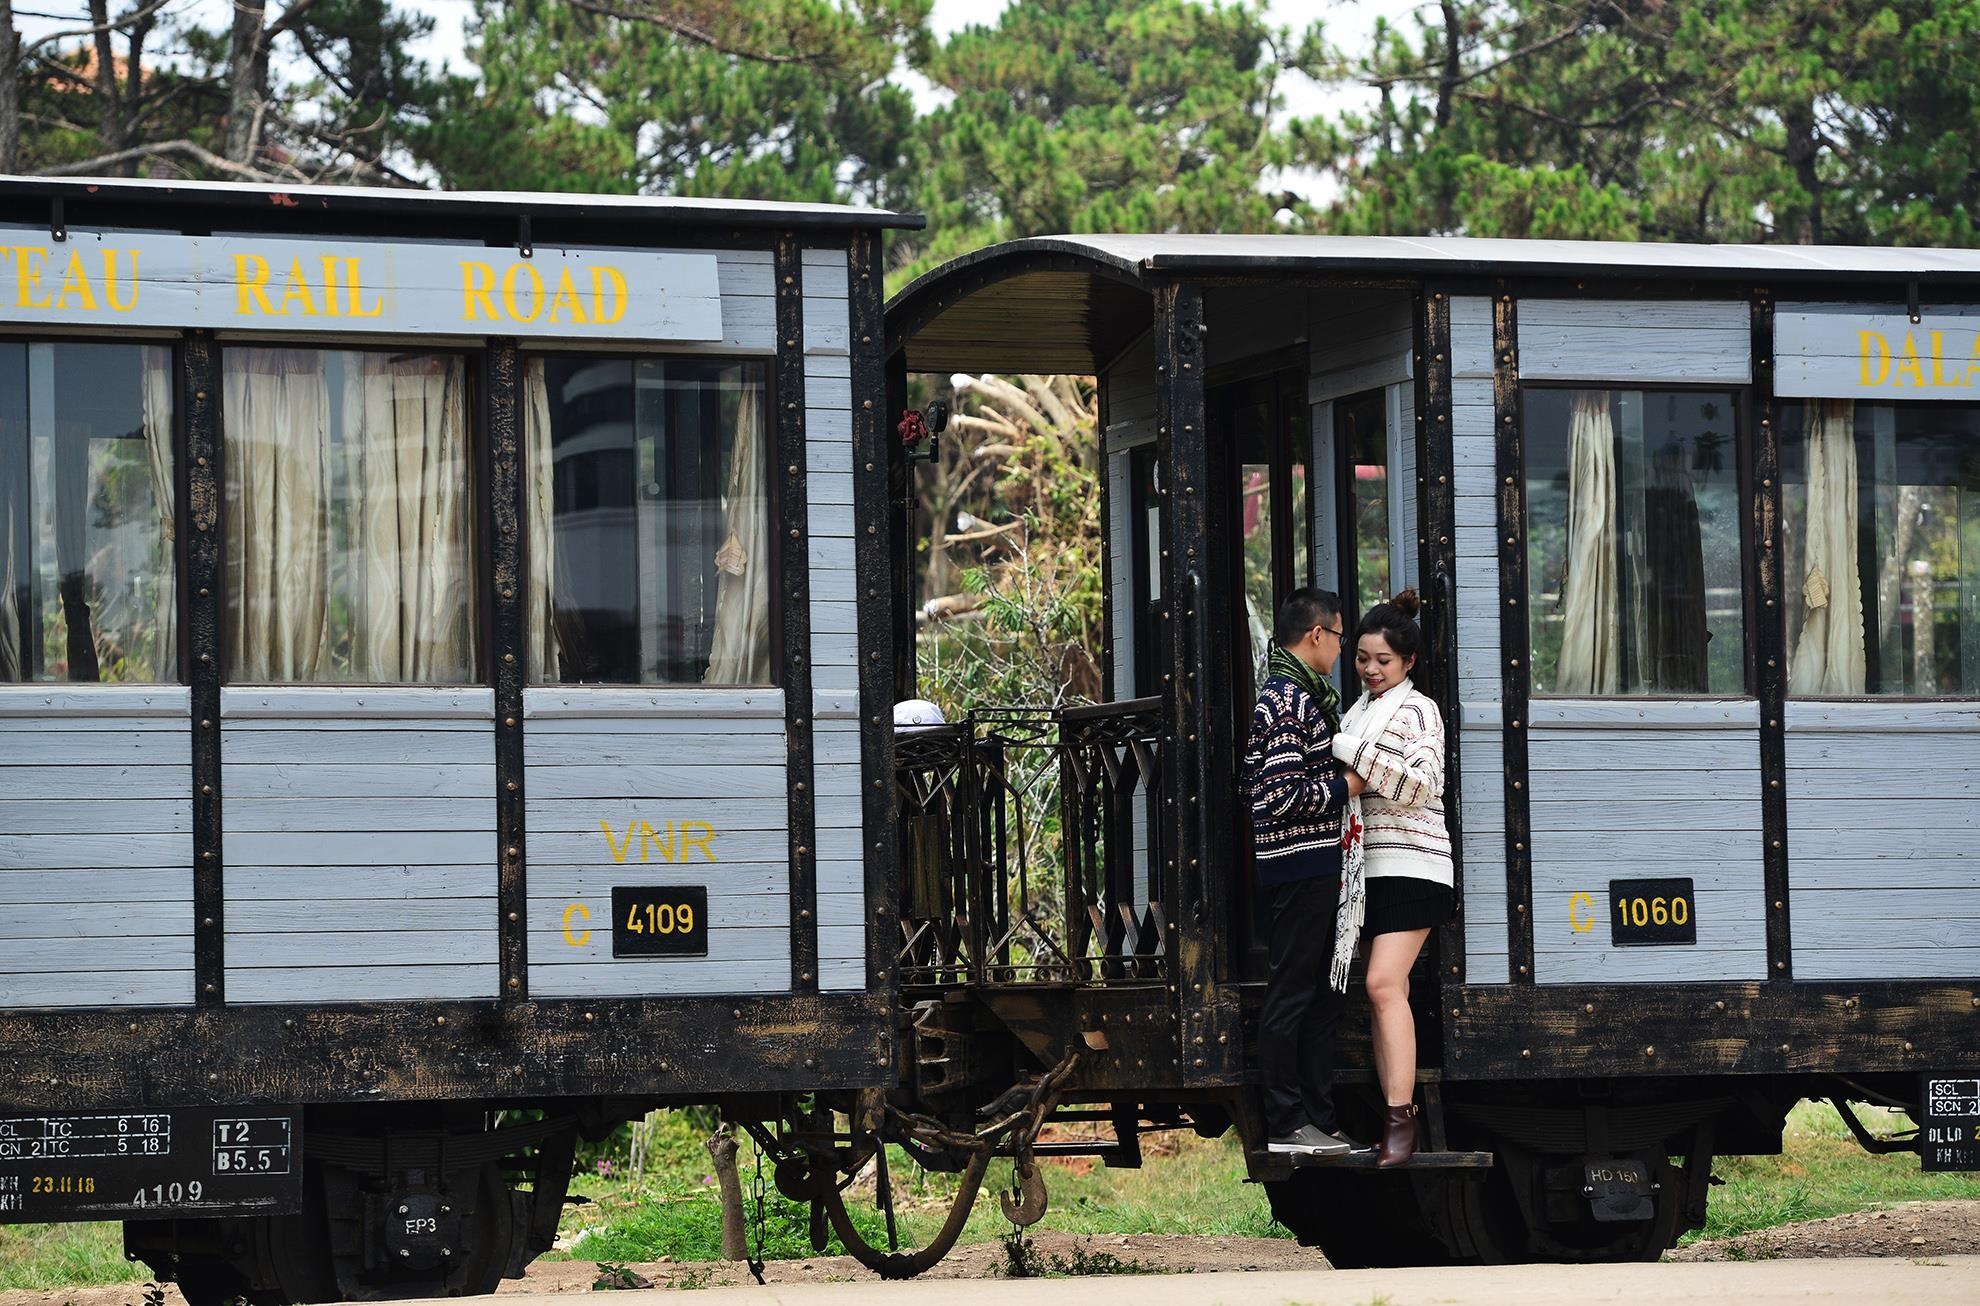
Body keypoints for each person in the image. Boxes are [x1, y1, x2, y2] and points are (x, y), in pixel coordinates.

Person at [1241, 587, 1367, 1157]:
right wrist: (1348, 785)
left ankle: (1319, 1118)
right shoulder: (1287, 700)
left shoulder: (1297, 695)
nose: (1342, 650)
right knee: (1292, 992)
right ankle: (1286, 1123)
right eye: (1339, 637)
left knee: (1320, 995)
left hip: (1312, 862)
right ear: (1317, 634)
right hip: (1298, 864)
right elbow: (1279, 795)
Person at [1332, 589, 1454, 1167]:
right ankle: (1394, 1122)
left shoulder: (1419, 711)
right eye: (1362, 658)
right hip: (1366, 870)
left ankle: (1402, 1124)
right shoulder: (1356, 712)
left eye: (1383, 660)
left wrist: (1348, 750)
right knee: (1385, 992)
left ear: (1408, 662)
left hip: (1414, 864)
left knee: (1383, 984)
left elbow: (1422, 784)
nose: (1371, 669)